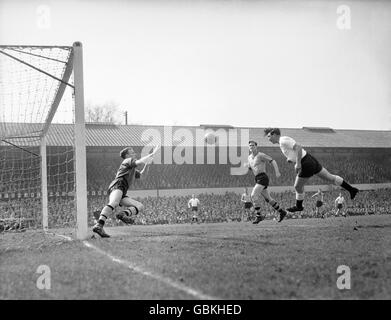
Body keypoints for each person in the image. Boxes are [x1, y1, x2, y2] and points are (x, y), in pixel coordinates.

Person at [264, 128, 359, 213]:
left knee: (297, 186)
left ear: (274, 134)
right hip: (310, 159)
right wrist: (290, 158)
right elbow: (295, 151)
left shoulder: (283, 140)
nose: (268, 139)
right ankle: (352, 189)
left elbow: (298, 147)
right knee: (330, 178)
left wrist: (298, 163)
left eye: (269, 136)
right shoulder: (282, 142)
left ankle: (299, 206)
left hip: (305, 163)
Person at [92, 145, 160, 238]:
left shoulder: (131, 168)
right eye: (132, 152)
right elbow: (139, 161)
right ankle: (99, 225)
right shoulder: (127, 161)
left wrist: (148, 164)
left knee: (139, 206)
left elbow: (142, 176)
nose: (134, 153)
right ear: (127, 155)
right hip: (118, 185)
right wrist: (151, 154)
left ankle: (123, 214)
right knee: (114, 203)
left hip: (122, 190)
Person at [244, 140, 287, 224]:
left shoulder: (261, 155)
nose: (251, 147)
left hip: (263, 177)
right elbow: (252, 168)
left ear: (256, 147)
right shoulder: (249, 158)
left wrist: (277, 171)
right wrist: (247, 167)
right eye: (250, 146)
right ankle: (282, 212)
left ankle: (259, 216)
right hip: (257, 178)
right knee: (269, 199)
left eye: (253, 145)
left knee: (253, 195)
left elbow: (273, 161)